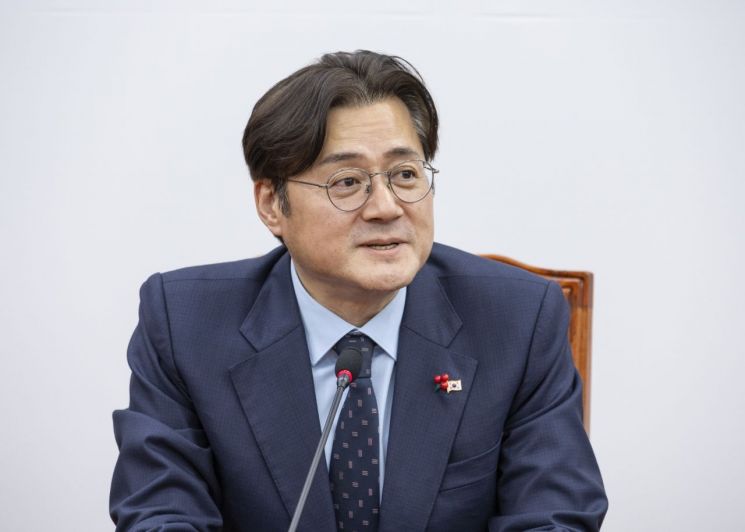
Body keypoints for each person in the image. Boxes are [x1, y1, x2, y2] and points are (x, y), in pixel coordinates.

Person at [110, 50, 607, 531]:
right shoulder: (184, 325)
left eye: (405, 174)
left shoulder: (517, 321)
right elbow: (160, 513)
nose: (386, 207)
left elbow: (553, 517)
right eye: (347, 182)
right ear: (272, 205)